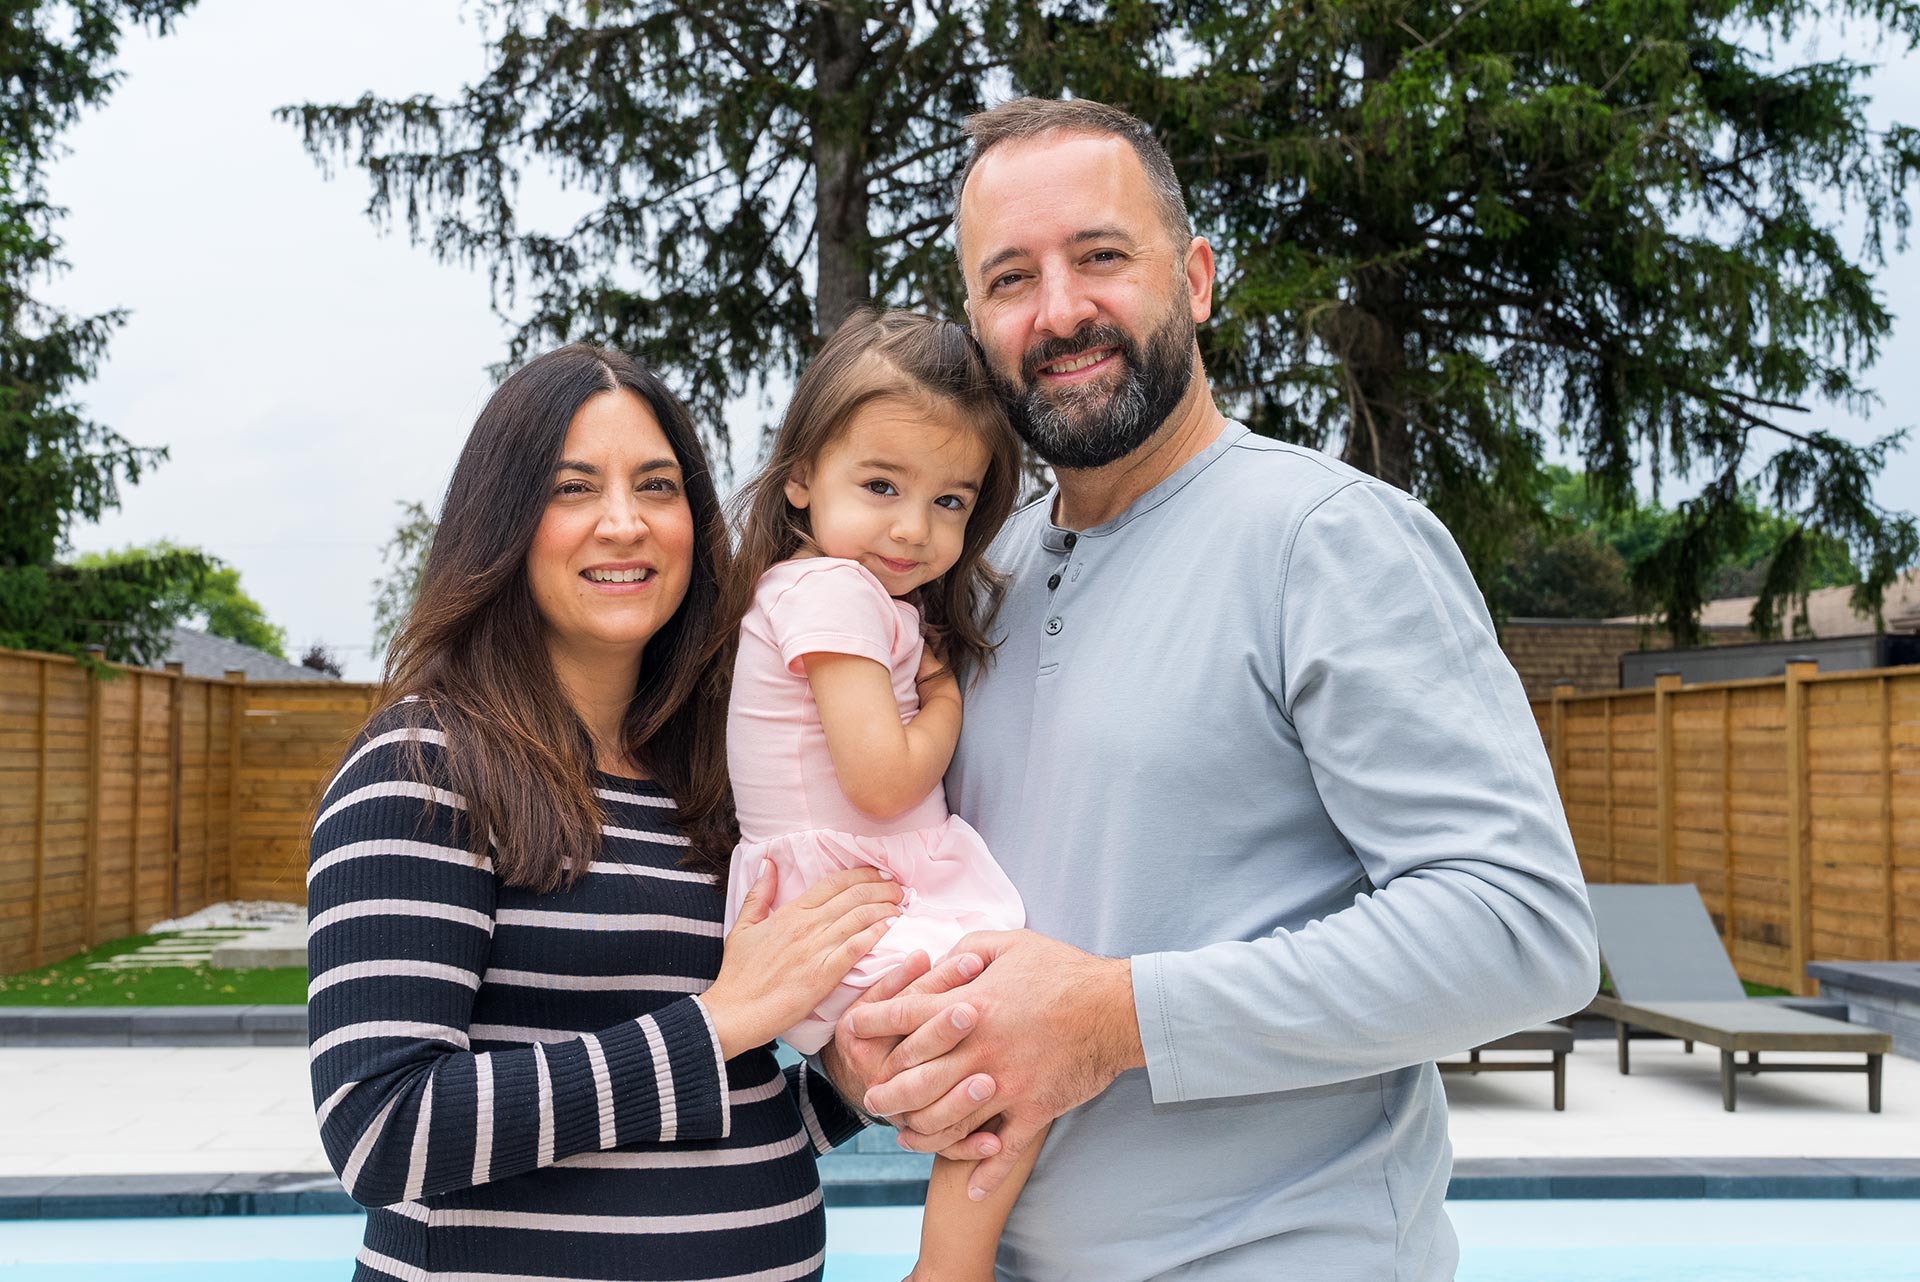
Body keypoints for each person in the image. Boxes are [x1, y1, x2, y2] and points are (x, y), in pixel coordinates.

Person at [824, 98, 1602, 1280]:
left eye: (1100, 256)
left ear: (1193, 280)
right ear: (977, 327)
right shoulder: (978, 580)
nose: (1059, 311)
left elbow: (1521, 929)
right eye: (1011, 278)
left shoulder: (1327, 540)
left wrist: (1111, 1020)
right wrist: (862, 1050)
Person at [307, 344, 909, 1281]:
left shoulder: (712, 776)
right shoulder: (425, 766)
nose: (624, 523)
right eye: (573, 488)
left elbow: (714, 1107)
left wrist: (848, 1086)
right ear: (502, 522)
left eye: (657, 487)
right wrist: (715, 1022)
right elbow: (383, 1131)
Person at [718, 309, 1038, 1281]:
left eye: (950, 500)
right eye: (882, 486)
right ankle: (948, 1271)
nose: (913, 528)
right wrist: (945, 700)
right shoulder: (834, 593)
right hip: (846, 905)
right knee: (1016, 1053)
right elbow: (884, 777)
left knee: (992, 1064)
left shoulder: (831, 591)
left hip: (844, 898)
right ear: (802, 476)